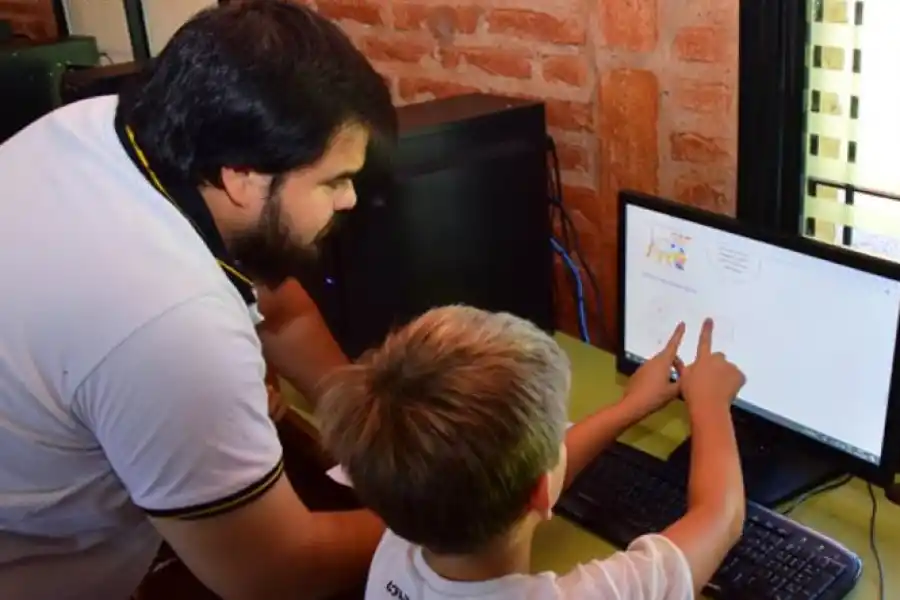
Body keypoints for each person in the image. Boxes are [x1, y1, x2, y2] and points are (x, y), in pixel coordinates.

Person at [0, 2, 396, 599]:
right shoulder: (171, 321)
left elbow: (278, 304)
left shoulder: (109, 130)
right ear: (242, 176)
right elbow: (271, 569)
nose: (348, 200)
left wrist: (368, 423)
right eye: (333, 180)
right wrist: (454, 527)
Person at [317, 306, 747, 599]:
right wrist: (709, 401)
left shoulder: (399, 541)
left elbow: (511, 473)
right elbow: (721, 516)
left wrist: (629, 408)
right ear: (541, 493)